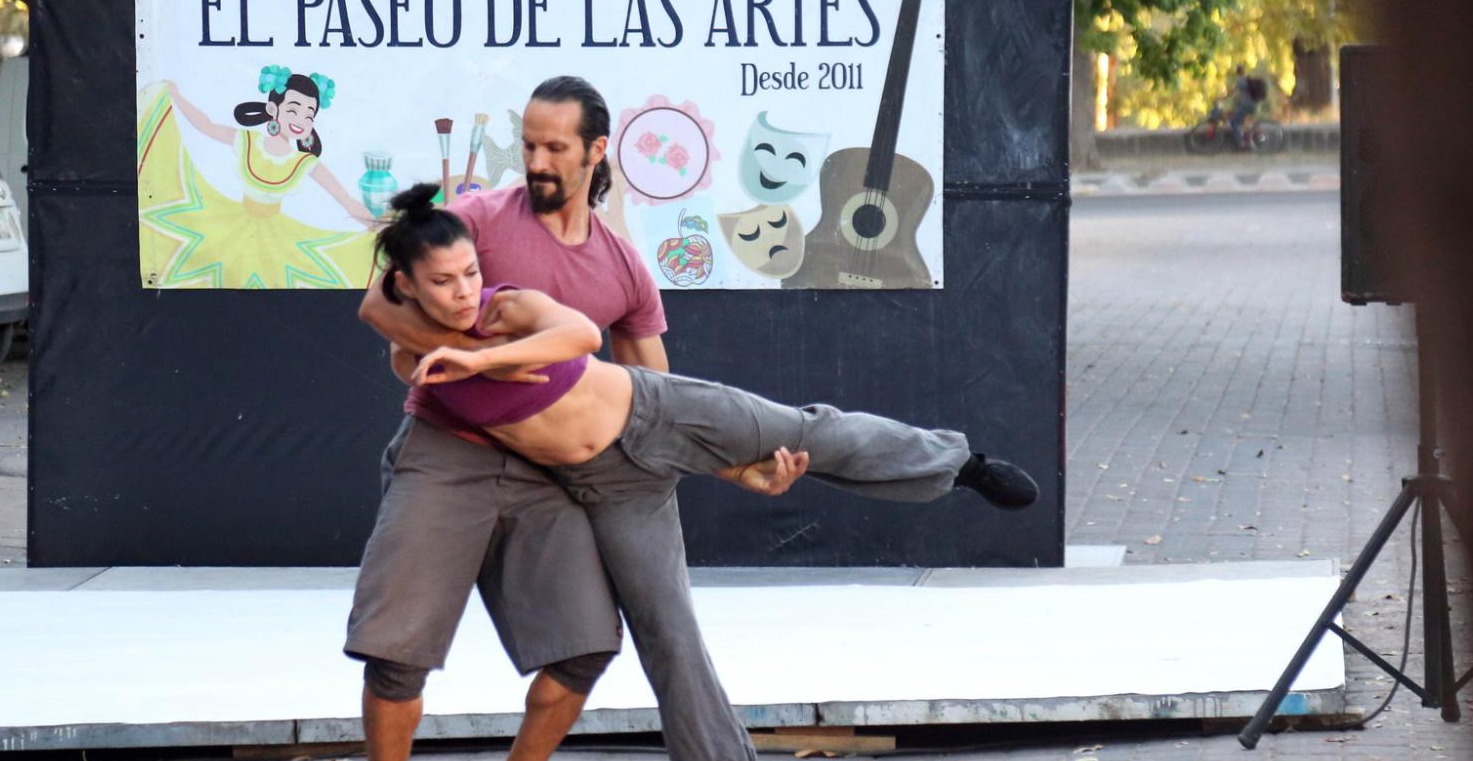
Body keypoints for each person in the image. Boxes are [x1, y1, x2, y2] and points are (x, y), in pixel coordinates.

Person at [346, 77, 791, 761]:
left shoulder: (624, 269)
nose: (539, 161)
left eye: (556, 147)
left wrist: (739, 469)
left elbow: (658, 403)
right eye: (530, 145)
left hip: (552, 472)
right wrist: (460, 360)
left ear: (597, 151)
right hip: (448, 450)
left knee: (589, 644)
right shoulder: (483, 219)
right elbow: (378, 305)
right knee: (398, 650)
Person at [379, 180, 1036, 517]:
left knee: (808, 434)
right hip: (590, 477)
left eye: (469, 270)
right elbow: (379, 310)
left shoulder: (509, 303)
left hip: (645, 411)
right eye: (442, 280)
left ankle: (958, 463)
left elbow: (603, 353)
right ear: (408, 284)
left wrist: (481, 356)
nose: (463, 288)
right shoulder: (414, 352)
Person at [136, 67, 378, 289]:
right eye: (293, 109)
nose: (300, 120)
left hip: (279, 239)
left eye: (308, 115)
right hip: (230, 223)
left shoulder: (304, 162)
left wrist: (378, 227)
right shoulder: (247, 141)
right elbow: (206, 126)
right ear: (274, 109)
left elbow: (347, 202)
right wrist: (176, 97)